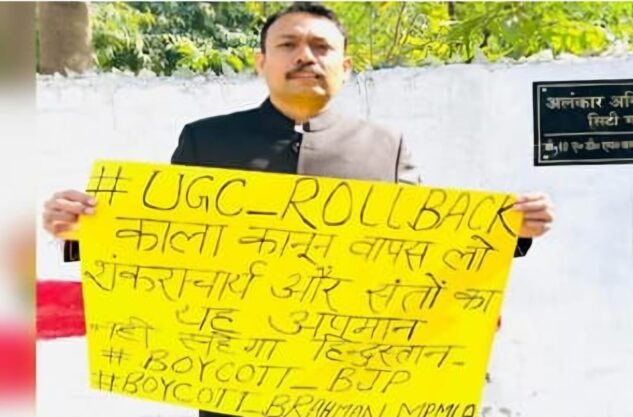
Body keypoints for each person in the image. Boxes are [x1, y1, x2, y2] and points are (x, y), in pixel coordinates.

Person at [42, 3, 554, 417]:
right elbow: (162, 246)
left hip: (356, 387)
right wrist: (83, 229)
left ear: (345, 67)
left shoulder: (386, 147)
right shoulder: (206, 141)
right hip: (234, 385)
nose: (305, 56)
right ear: (261, 62)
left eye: (321, 47)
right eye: (288, 45)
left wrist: (511, 231)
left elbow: (425, 254)